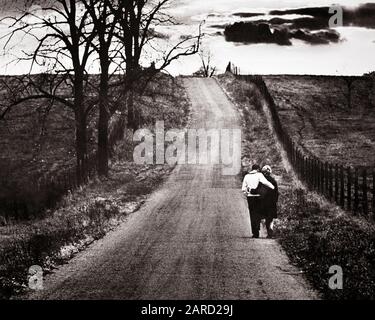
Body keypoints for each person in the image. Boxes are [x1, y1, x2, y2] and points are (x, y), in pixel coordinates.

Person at [242, 164, 275, 238]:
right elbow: (265, 182)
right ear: (257, 169)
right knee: (257, 214)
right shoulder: (259, 175)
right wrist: (272, 187)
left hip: (250, 197)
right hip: (258, 197)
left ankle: (255, 233)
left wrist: (247, 193)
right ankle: (258, 228)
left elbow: (243, 189)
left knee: (252, 214)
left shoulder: (247, 176)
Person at [261, 165, 279, 239]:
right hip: (272, 203)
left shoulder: (262, 181)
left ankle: (268, 231)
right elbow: (276, 193)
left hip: (264, 202)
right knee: (270, 218)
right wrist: (275, 201)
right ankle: (270, 231)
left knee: (264, 217)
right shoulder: (273, 181)